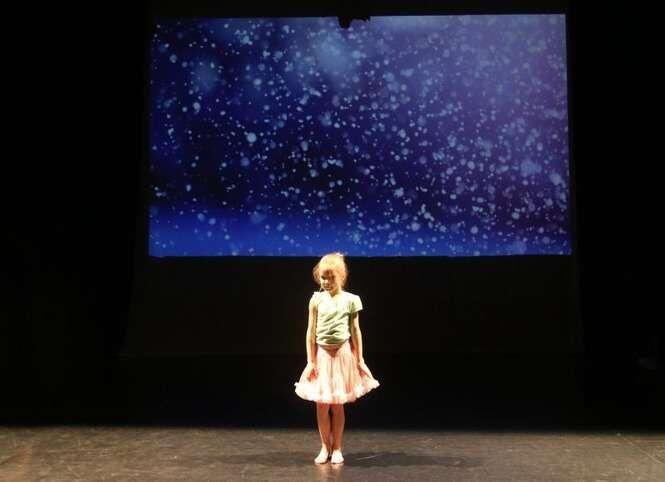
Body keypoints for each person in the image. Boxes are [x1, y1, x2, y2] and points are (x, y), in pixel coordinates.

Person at [294, 252, 380, 464]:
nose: (326, 282)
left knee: (337, 404)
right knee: (322, 404)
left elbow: (356, 331)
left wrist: (360, 360)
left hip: (342, 355)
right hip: (322, 356)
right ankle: (325, 447)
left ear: (340, 276)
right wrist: (310, 361)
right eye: (323, 278)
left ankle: (338, 447)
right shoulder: (316, 299)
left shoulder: (351, 300)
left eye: (331, 278)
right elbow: (310, 331)